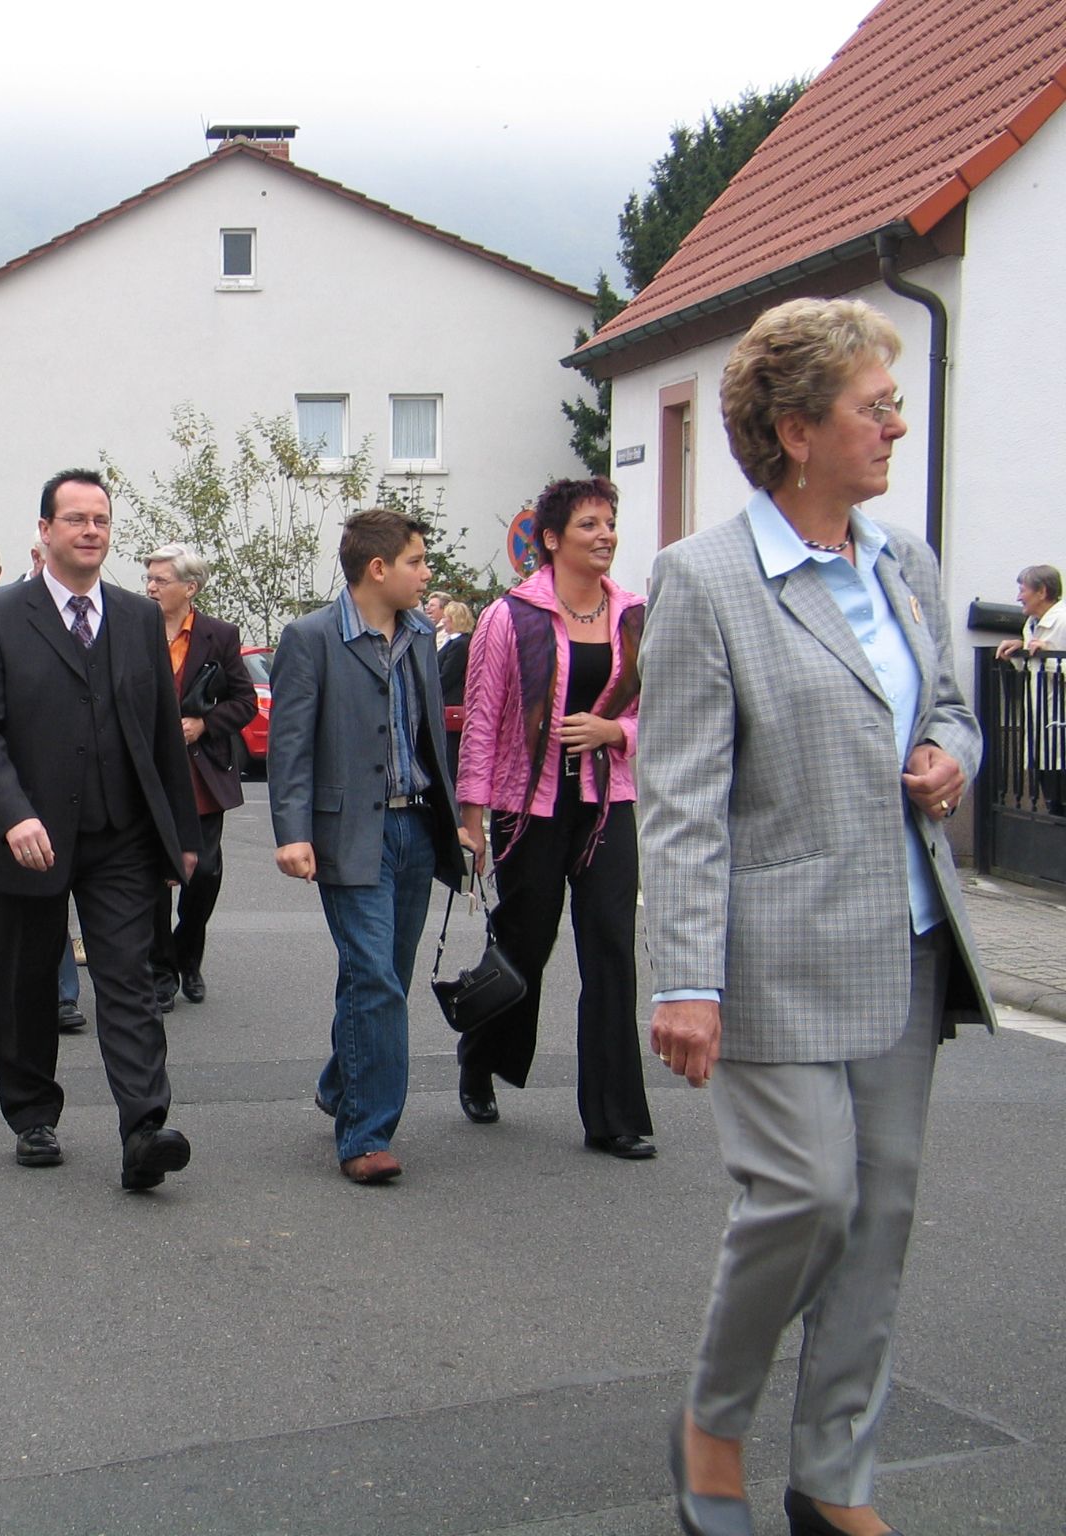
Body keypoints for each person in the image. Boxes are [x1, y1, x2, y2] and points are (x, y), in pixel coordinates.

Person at [642, 298, 993, 1536]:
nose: (893, 425)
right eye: (871, 407)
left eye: (892, 405)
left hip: (905, 939)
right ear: (794, 431)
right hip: (772, 955)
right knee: (806, 1197)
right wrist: (682, 979)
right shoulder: (703, 580)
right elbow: (679, 798)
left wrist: (950, 756)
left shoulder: (902, 562)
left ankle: (833, 1477)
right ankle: (712, 1421)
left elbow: (948, 707)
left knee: (878, 1220)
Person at [0, 468, 201, 1188]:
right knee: (25, 984)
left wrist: (181, 834)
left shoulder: (137, 617)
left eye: (101, 519)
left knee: (128, 979)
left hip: (119, 834)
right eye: (76, 519)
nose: (91, 530)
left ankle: (144, 1129)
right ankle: (32, 1115)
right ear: (45, 530)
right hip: (26, 836)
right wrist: (13, 812)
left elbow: (160, 732)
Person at [268, 507, 468, 1186]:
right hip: (350, 833)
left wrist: (457, 819)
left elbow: (430, 739)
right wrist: (292, 833)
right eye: (417, 561)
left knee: (382, 979)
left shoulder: (420, 635)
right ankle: (366, 1134)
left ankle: (341, 1078)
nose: (427, 573)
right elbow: (290, 746)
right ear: (378, 569)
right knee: (376, 979)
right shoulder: (311, 638)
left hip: (417, 828)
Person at [455, 477, 654, 1157]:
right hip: (528, 806)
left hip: (607, 803)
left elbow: (661, 710)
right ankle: (480, 1056)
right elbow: (483, 721)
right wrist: (473, 818)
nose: (605, 536)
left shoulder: (635, 615)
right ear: (551, 539)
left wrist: (614, 732)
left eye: (609, 523)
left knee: (611, 950)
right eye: (588, 525)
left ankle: (614, 1117)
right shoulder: (510, 616)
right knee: (524, 945)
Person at [142, 543, 253, 1010]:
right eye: (148, 578)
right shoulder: (133, 628)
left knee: (203, 873)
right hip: (147, 774)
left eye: (160, 580)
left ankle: (188, 954)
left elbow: (245, 702)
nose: (150, 587)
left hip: (201, 773)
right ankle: (160, 971)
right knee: (151, 877)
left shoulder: (219, 635)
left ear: (189, 588)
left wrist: (204, 724)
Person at [995, 564, 1064, 814]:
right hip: (1043, 726)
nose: (1018, 597)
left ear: (1042, 591)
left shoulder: (1063, 620)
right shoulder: (1032, 624)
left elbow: (1049, 662)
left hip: (1060, 727)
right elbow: (1034, 666)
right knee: (1053, 803)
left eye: (1022, 590)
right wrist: (1020, 650)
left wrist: (1051, 657)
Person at [437, 599, 474, 780]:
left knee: (451, 754)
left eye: (446, 617)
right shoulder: (453, 641)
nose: (443, 621)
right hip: (447, 702)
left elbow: (447, 675)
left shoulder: (460, 644)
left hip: (451, 704)